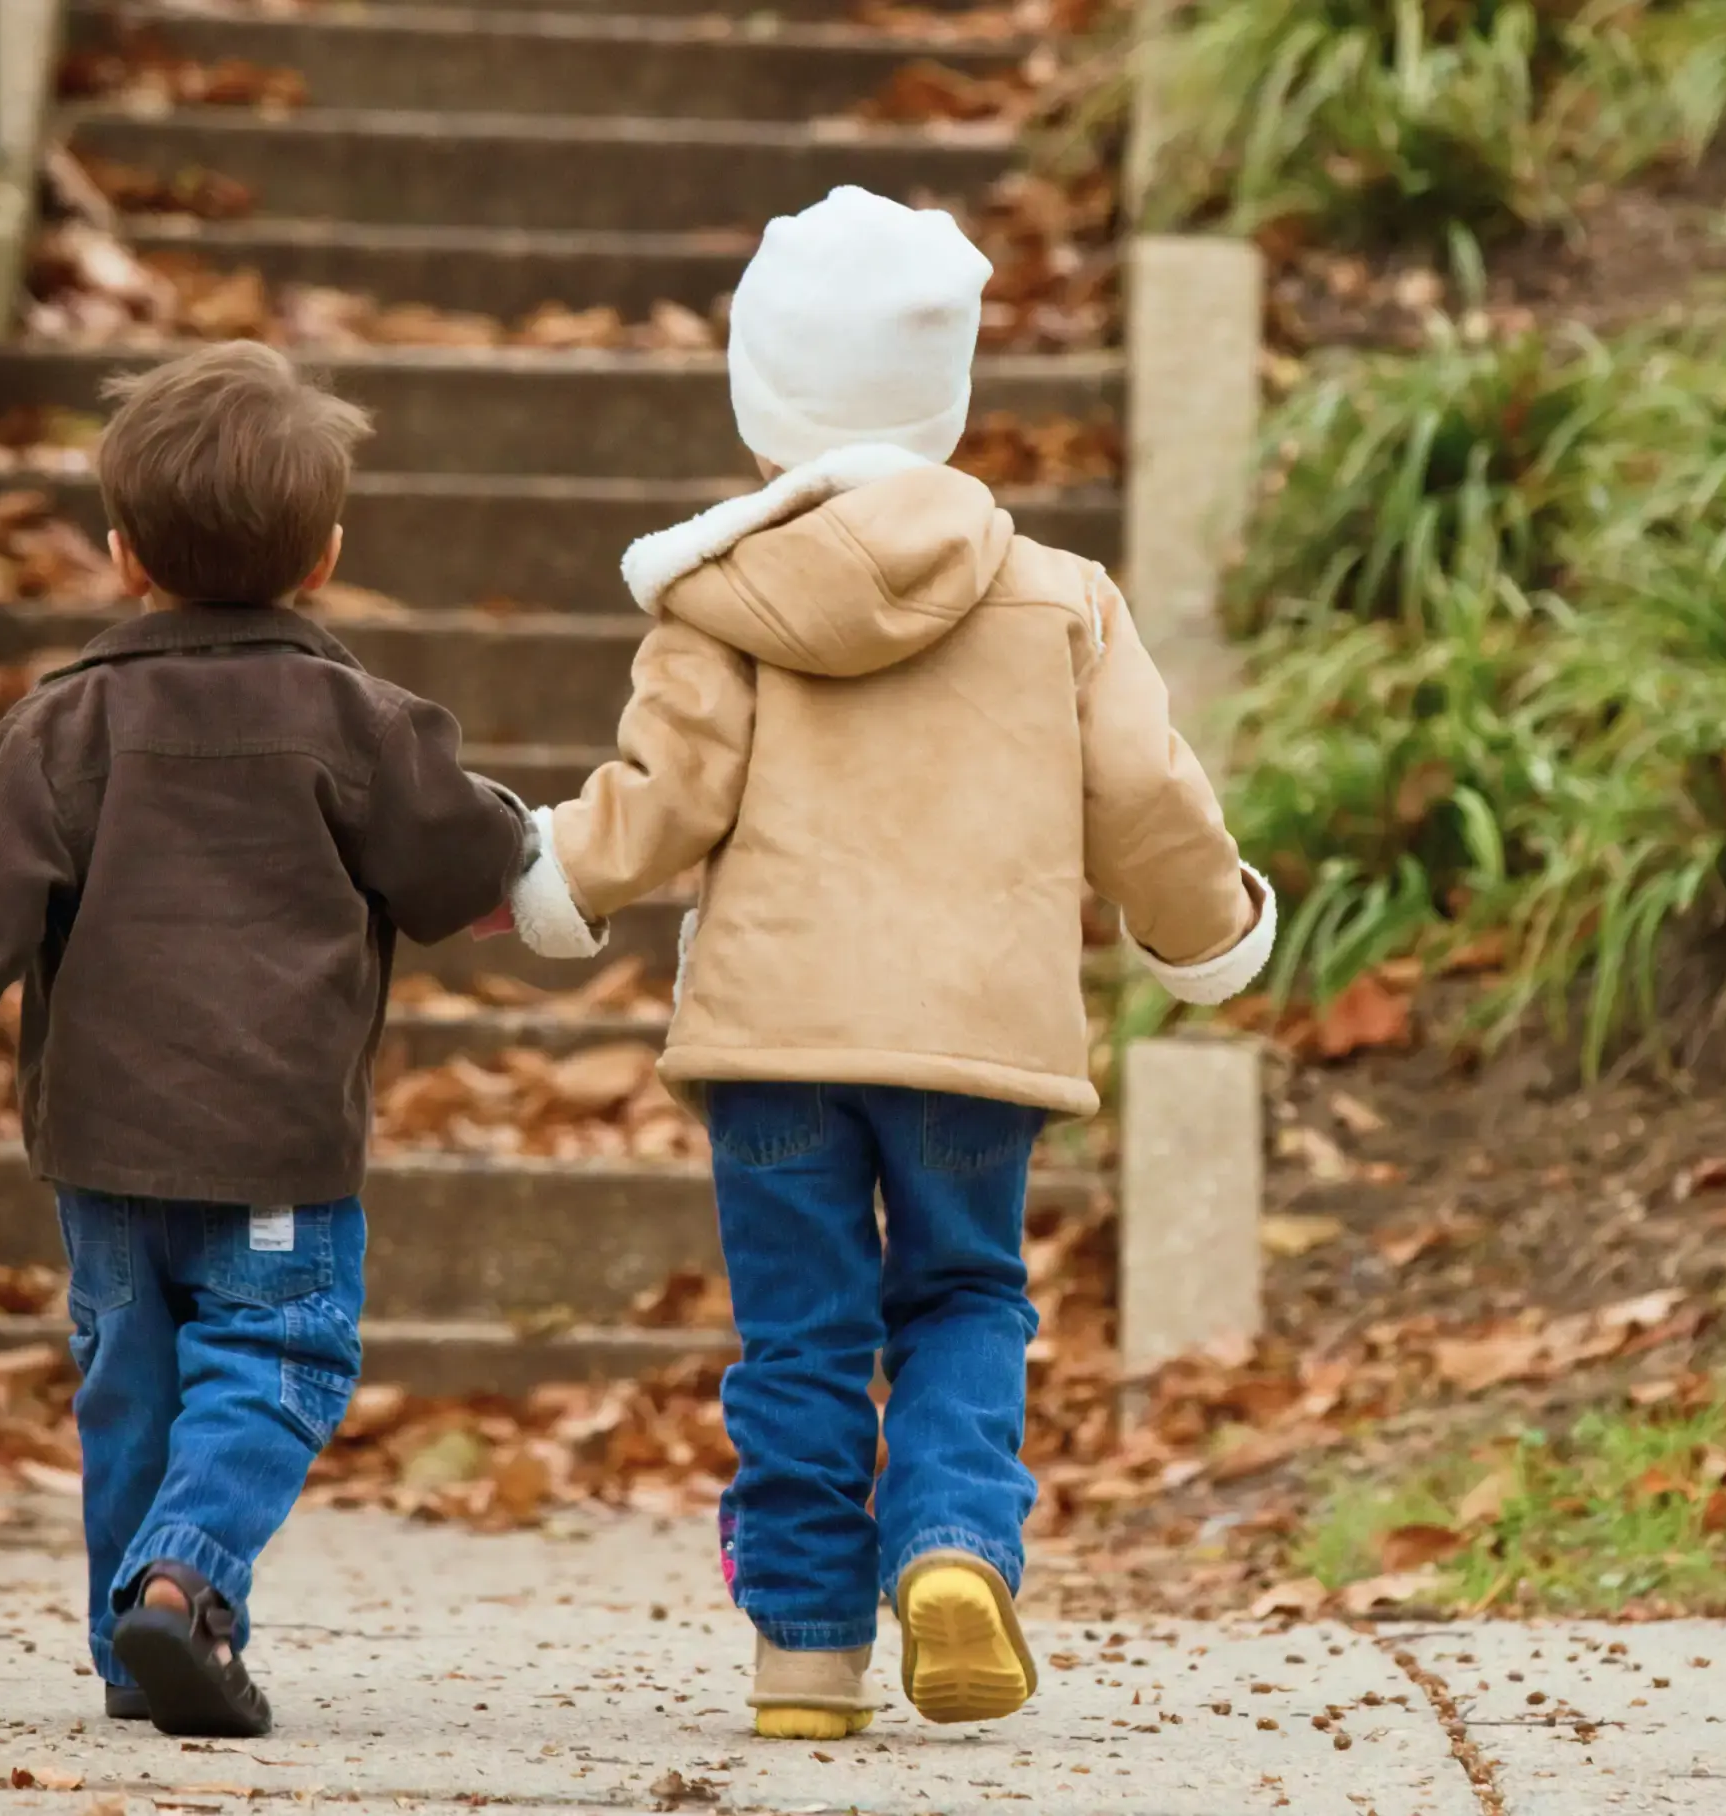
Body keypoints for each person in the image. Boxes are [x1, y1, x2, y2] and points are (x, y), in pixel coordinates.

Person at [507, 184, 1274, 1740]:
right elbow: (1143, 799)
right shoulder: (1062, 598)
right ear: (951, 396)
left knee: (802, 1334)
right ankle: (948, 1548)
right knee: (966, 1298)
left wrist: (543, 876)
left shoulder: (718, 607)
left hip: (773, 1039)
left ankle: (800, 1653)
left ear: (760, 400)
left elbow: (660, 808)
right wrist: (1208, 933)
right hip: (972, 1041)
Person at [0, 340, 530, 1738]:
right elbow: (459, 854)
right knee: (277, 1362)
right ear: (322, 559)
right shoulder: (356, 723)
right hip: (275, 1144)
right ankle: (179, 1591)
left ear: (123, 555)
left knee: (129, 1384)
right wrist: (526, 881)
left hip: (103, 1146)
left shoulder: (62, 725)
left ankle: (132, 1647)